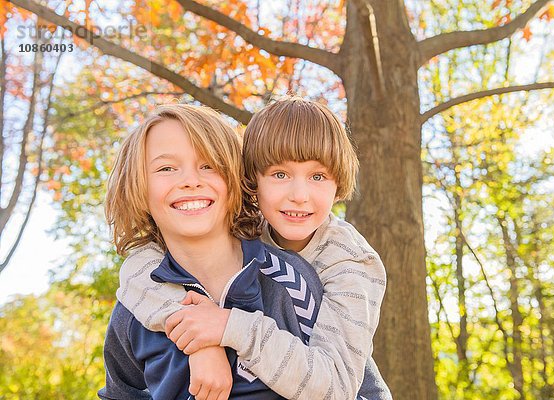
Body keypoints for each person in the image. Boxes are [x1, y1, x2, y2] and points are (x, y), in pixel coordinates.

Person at [118, 97, 392, 399]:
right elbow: (138, 268)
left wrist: (227, 326)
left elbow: (336, 386)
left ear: (338, 182)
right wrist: (197, 336)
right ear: (250, 180)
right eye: (280, 175)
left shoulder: (350, 262)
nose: (299, 196)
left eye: (317, 176)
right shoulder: (245, 222)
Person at [98, 104, 325, 400]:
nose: (191, 181)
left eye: (208, 166)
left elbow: (347, 382)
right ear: (138, 189)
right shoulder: (133, 311)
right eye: (166, 168)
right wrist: (200, 343)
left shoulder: (291, 282)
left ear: (235, 180)